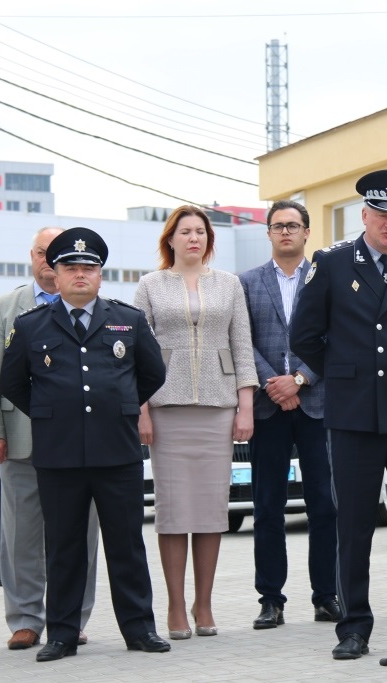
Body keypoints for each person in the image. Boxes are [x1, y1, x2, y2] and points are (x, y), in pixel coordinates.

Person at [290, 169, 387, 660]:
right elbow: (303, 336)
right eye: (382, 215)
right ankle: (354, 623)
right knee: (354, 523)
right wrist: (345, 373)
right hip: (355, 415)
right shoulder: (333, 264)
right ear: (364, 215)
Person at [1, 227, 169, 661]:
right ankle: (61, 633)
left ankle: (139, 629)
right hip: (59, 455)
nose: (79, 275)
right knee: (64, 547)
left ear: (99, 275)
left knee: (126, 544)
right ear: (54, 275)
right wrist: (51, 412)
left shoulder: (127, 319)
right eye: (70, 268)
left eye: (88, 268)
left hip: (116, 452)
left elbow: (152, 374)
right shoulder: (31, 324)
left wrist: (124, 406)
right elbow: (14, 383)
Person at [134, 206, 258, 641]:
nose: (194, 238)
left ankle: (203, 603)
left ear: (209, 239)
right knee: (172, 511)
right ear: (170, 239)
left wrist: (245, 406)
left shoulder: (229, 284)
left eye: (200, 232)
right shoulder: (150, 285)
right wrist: (143, 409)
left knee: (209, 509)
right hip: (166, 408)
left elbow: (242, 344)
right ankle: (173, 605)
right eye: (185, 232)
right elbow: (137, 352)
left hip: (218, 405)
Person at [0, 227, 99, 650]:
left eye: (58, 253)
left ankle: (74, 616)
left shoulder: (95, 305)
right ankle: (26, 618)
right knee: (21, 535)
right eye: (42, 253)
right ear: (32, 256)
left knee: (80, 534)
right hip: (21, 440)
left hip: (78, 443)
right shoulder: (5, 306)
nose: (50, 261)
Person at [239, 200, 339, 630]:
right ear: (268, 233)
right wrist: (274, 384)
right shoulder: (247, 282)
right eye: (278, 226)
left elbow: (336, 337)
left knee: (325, 505)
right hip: (268, 406)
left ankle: (326, 596)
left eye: (293, 225)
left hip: (316, 404)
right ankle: (271, 599)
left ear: (306, 232)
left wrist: (298, 380)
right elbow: (242, 341)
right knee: (267, 507)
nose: (285, 232)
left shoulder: (327, 279)